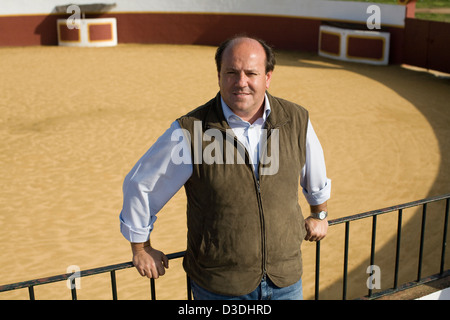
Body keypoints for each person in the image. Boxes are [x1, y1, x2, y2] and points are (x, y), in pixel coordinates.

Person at [119, 35, 331, 300]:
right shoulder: (191, 129)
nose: (241, 82)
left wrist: (319, 214)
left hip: (285, 281)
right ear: (219, 75)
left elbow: (315, 171)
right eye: (231, 72)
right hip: (220, 288)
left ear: (267, 77)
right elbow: (142, 184)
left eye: (251, 73)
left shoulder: (296, 119)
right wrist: (141, 247)